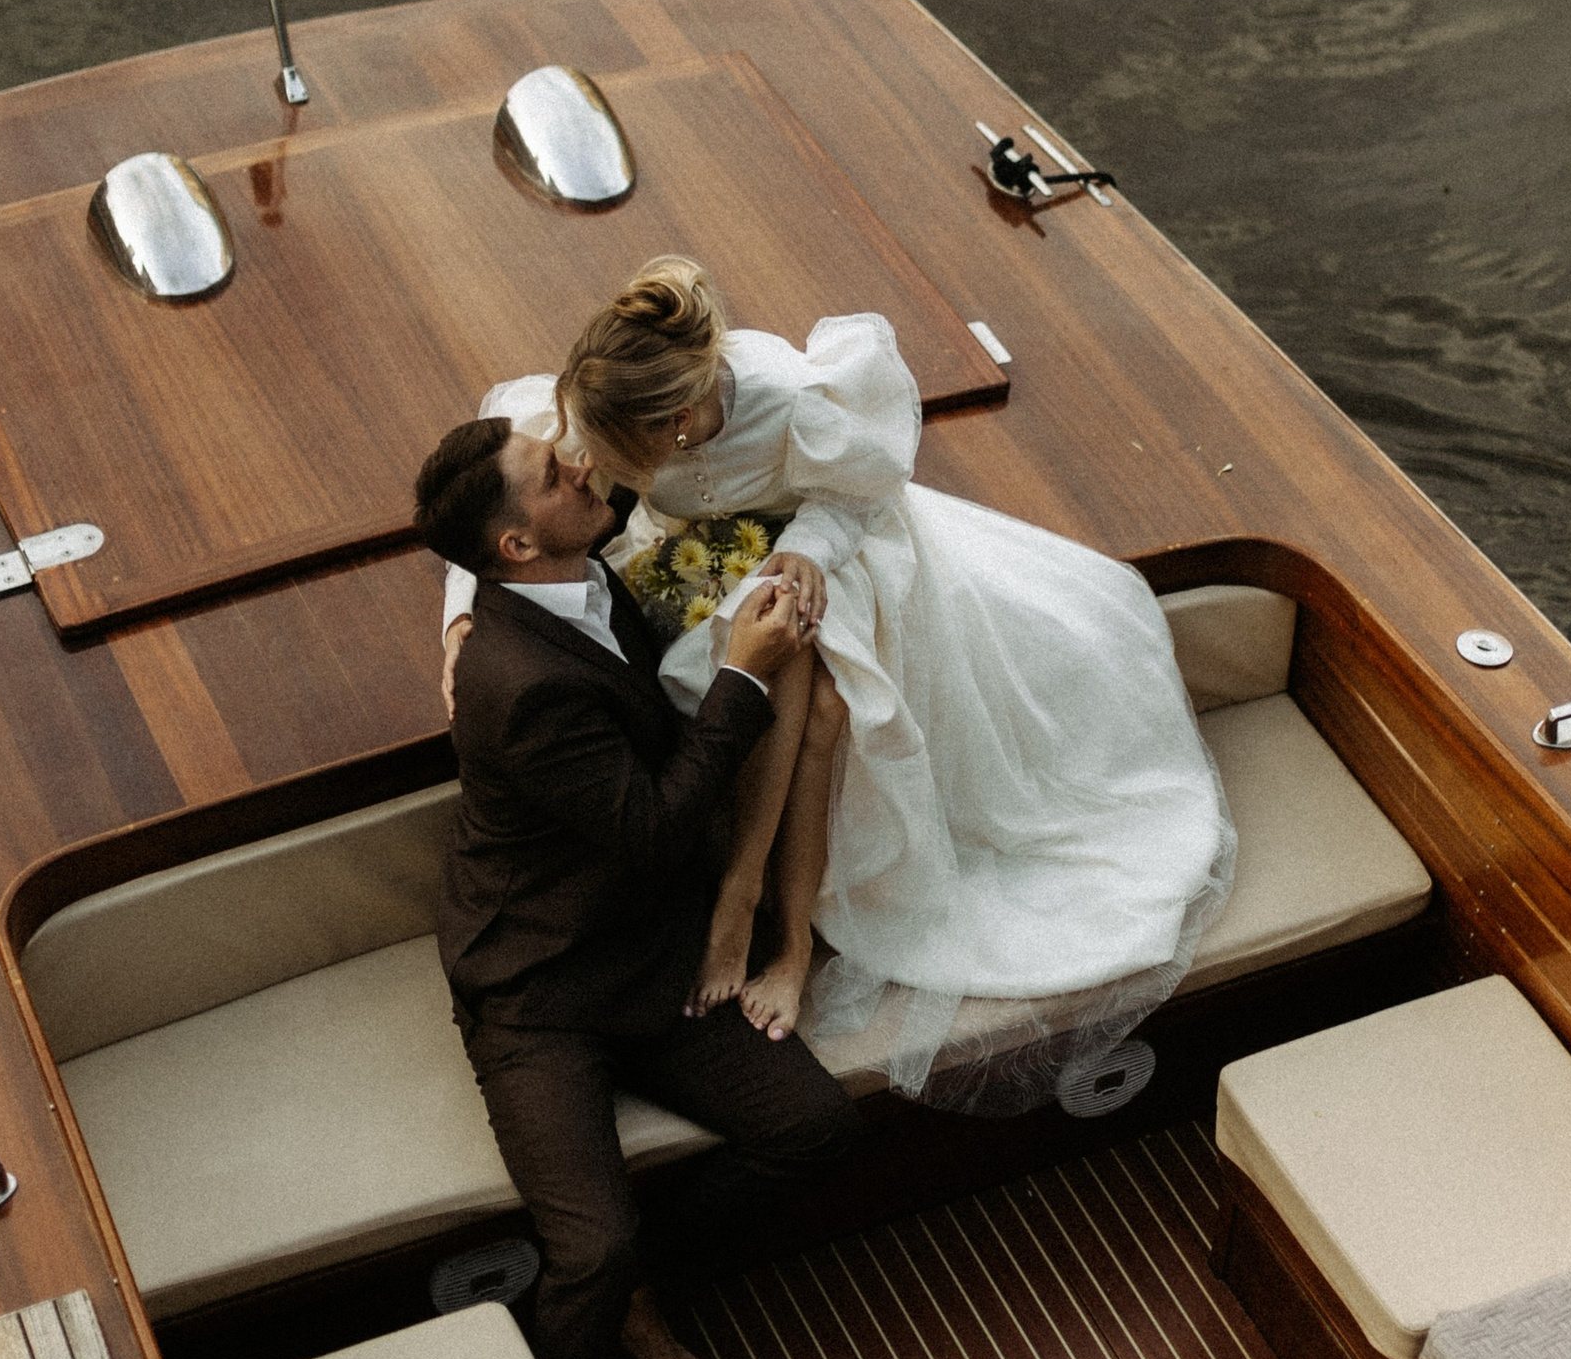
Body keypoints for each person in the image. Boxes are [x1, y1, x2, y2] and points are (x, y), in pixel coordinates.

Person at [441, 259, 1236, 1109]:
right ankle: (764, 917)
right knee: (795, 669)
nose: (583, 467)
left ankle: (758, 913)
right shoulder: (606, 403)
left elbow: (862, 494)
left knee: (808, 662)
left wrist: (804, 551)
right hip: (705, 563)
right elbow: (501, 506)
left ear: (672, 425)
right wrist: (462, 618)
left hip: (835, 554)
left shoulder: (793, 397)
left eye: (601, 455)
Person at [411, 407, 858, 1359]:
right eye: (550, 473)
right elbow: (654, 828)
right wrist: (745, 673)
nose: (578, 467)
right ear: (517, 543)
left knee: (815, 1129)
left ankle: (649, 1295)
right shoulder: (516, 684)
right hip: (538, 989)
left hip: (651, 956)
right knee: (592, 1249)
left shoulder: (587, 575)